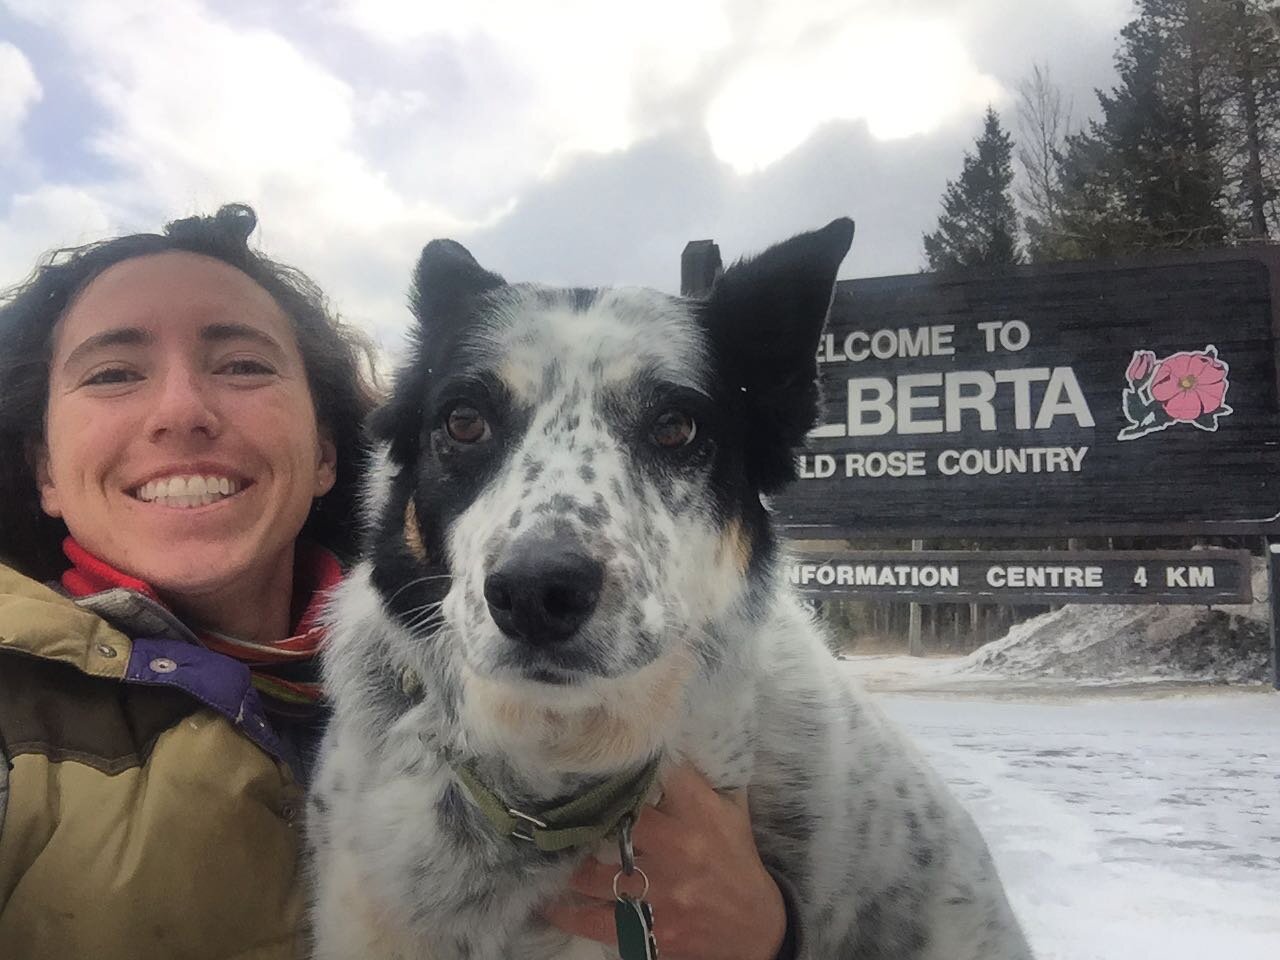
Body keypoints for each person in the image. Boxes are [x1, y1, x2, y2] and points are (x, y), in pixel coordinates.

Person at [0, 205, 792, 960]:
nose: (181, 411)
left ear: (327, 450)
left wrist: (769, 936)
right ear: (42, 466)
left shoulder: (719, 715)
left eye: (241, 363)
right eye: (112, 373)